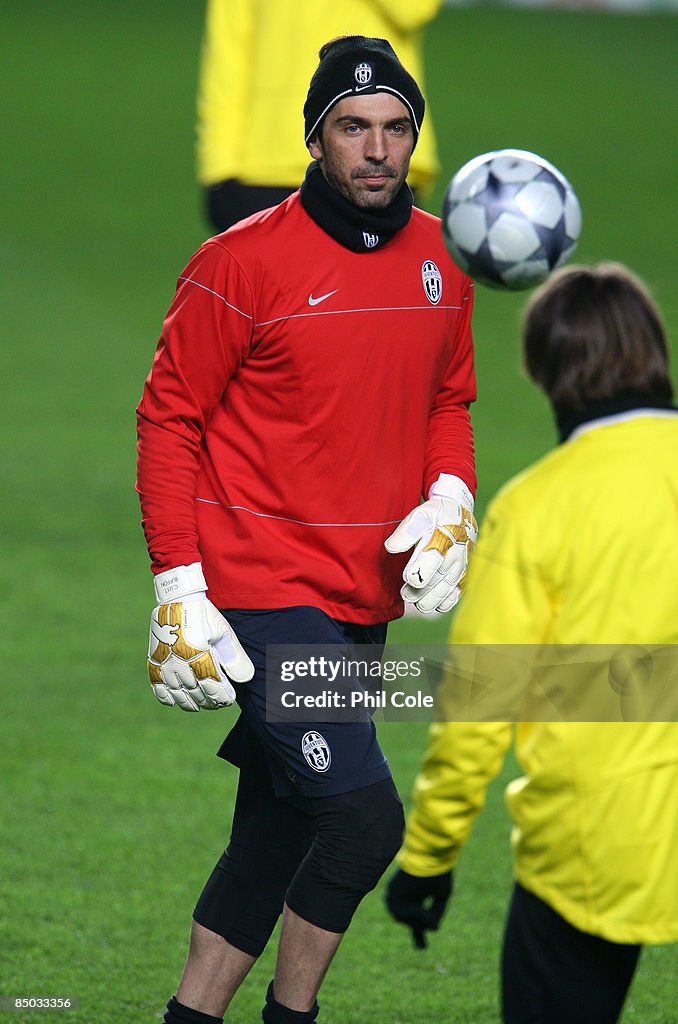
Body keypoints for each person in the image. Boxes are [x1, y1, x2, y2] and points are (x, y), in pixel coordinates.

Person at [137, 36, 478, 1024]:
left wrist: (452, 494)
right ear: (315, 141)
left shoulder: (441, 263)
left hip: (360, 592)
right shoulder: (238, 263)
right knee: (364, 823)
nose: (378, 149)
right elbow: (169, 419)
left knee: (276, 835)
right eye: (353, 128)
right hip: (258, 585)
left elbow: (448, 395)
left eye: (396, 129)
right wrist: (178, 585)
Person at [385, 262, 678, 1024]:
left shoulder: (538, 508)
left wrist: (429, 857)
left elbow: (482, 700)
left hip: (593, 846)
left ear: (550, 373)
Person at [197, 0, 442, 231]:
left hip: (380, 159)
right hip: (265, 167)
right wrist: (220, 167)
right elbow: (229, 51)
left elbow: (413, 10)